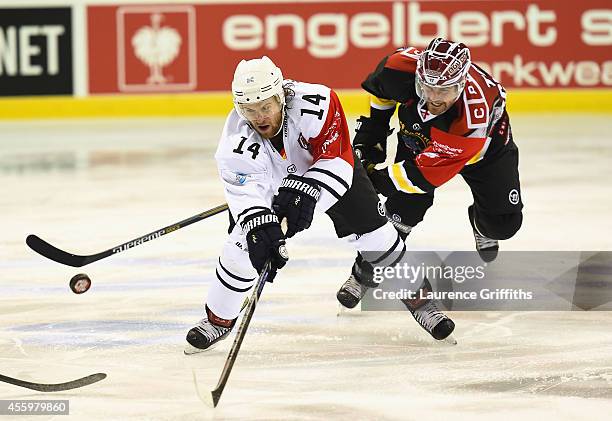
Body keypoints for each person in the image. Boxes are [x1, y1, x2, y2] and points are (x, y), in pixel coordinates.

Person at [185, 56, 455, 353]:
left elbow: (337, 160)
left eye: (266, 106)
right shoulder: (235, 138)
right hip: (276, 184)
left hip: (330, 174)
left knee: (379, 240)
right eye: (250, 109)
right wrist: (259, 221)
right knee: (243, 246)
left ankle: (422, 302)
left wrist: (306, 192)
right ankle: (218, 320)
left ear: (280, 97)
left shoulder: (318, 101)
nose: (260, 116)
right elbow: (245, 190)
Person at [336, 38, 523, 308]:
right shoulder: (398, 68)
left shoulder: (473, 115)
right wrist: (374, 130)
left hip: (484, 152)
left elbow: (424, 174)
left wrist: (376, 181)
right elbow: (383, 91)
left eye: (444, 90)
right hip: (420, 135)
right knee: (401, 214)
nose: (434, 98)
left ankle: (481, 222)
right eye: (427, 87)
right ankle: (363, 273)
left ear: (460, 84)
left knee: (504, 224)